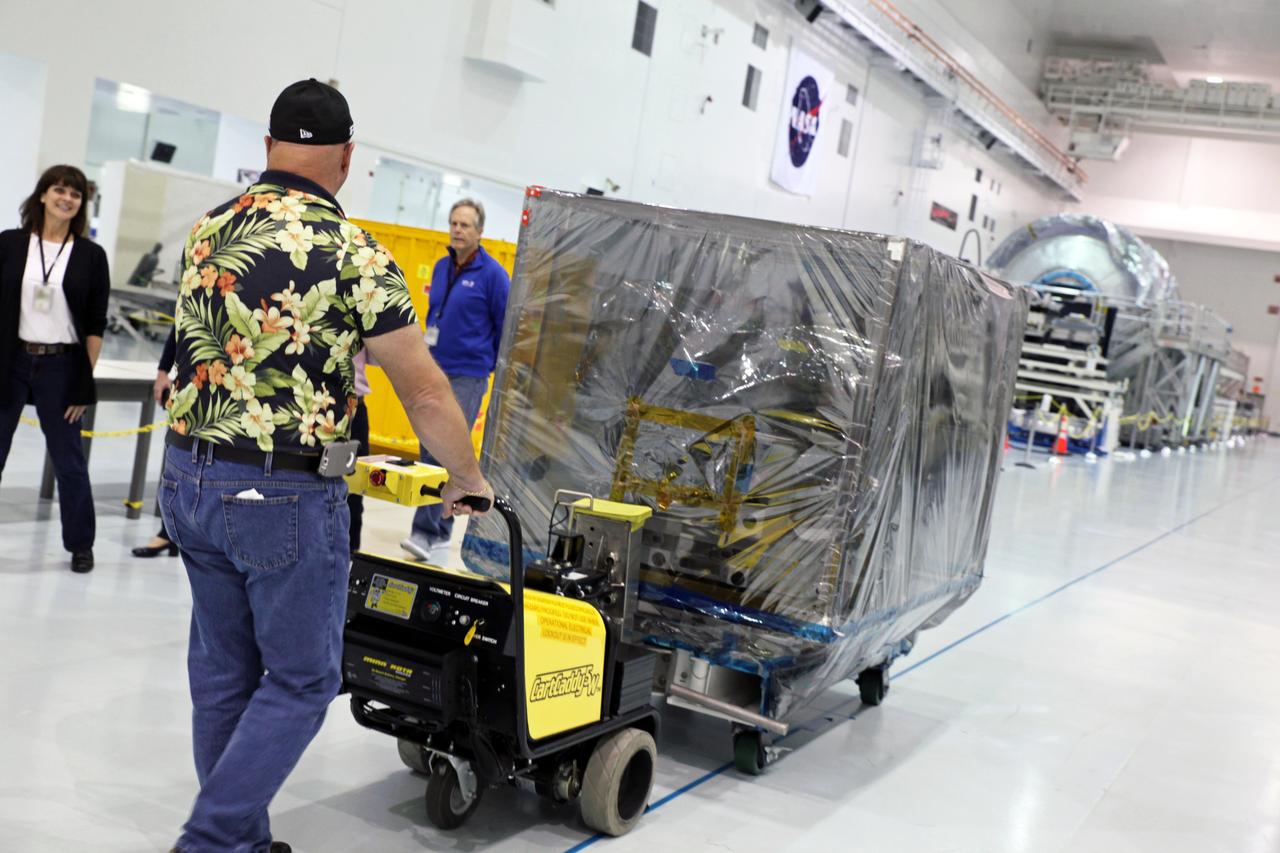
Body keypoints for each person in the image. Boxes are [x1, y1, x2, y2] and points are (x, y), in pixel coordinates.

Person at [159, 79, 493, 853]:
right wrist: (468, 480)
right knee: (305, 679)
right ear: (346, 157)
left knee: (221, 671)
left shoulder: (209, 229)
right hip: (277, 492)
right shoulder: (354, 252)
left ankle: (237, 840)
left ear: (268, 146)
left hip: (187, 478)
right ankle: (209, 842)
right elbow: (425, 390)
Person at [0, 165, 109, 574]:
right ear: (43, 195)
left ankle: (81, 545)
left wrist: (85, 382)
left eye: (75, 194)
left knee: (69, 462)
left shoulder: (91, 256)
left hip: (62, 366)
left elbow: (96, 323)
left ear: (81, 204)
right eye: (59, 190)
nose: (67, 198)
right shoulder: (10, 244)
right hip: (10, 361)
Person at [401, 197, 509, 562]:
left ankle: (426, 530)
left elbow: (505, 324)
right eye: (453, 223)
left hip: (468, 373)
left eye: (465, 225)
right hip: (436, 366)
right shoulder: (441, 266)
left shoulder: (493, 275)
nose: (458, 230)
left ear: (480, 231)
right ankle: (440, 527)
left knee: (444, 447)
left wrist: (487, 363)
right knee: (427, 446)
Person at [133, 326, 179, 557]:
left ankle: (173, 533)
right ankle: (167, 532)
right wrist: (163, 370)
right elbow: (180, 321)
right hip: (196, 380)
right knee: (176, 463)